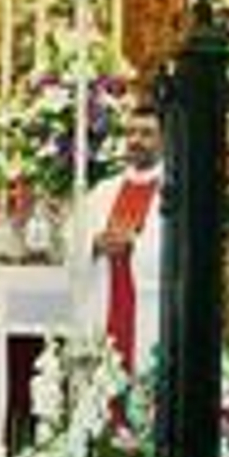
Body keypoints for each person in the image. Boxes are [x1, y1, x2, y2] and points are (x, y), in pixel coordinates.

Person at [74, 102, 164, 374]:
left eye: (147, 133)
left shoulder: (174, 190)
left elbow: (181, 251)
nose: (136, 141)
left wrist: (134, 244)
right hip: (104, 301)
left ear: (164, 139)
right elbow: (74, 242)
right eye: (131, 133)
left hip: (149, 308)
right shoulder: (103, 191)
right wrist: (94, 245)